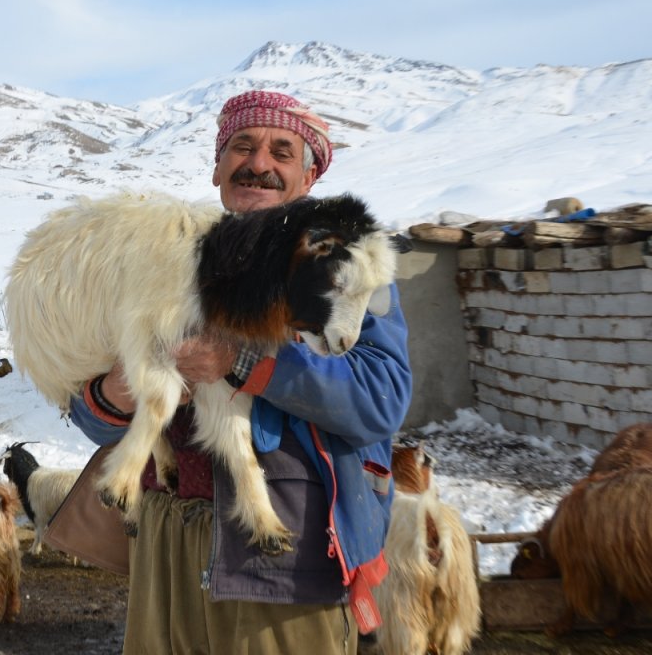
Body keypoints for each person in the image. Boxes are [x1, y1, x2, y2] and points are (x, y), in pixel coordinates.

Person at [68, 90, 412, 655]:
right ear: (217, 168)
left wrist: (243, 362)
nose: (259, 164)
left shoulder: (347, 271)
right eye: (241, 147)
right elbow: (92, 418)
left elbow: (382, 399)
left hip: (286, 555)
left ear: (308, 177)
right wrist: (115, 390)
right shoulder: (164, 256)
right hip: (164, 545)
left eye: (282, 151)